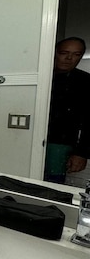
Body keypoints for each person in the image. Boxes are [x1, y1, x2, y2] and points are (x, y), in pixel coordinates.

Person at [44, 37, 90, 183]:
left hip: (60, 145)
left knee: (52, 187)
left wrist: (82, 153)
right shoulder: (40, 77)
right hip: (27, 138)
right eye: (64, 52)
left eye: (76, 54)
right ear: (55, 52)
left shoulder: (85, 82)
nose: (69, 58)